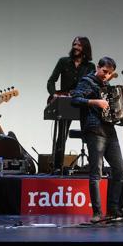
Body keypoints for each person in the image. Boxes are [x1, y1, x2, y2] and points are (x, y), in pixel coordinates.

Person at [71, 56, 123, 222]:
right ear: (97, 67)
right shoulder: (87, 81)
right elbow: (75, 99)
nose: (106, 75)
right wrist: (95, 102)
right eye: (104, 71)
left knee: (120, 170)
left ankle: (113, 209)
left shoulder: (107, 87)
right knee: (96, 172)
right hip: (94, 130)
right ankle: (97, 213)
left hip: (109, 131)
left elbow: (115, 116)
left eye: (109, 73)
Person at [46, 36, 95, 174]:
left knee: (90, 132)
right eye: (74, 44)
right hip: (66, 101)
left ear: (85, 48)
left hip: (81, 101)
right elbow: (51, 81)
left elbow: (91, 85)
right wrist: (54, 94)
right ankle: (57, 166)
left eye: (79, 45)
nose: (75, 47)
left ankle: (93, 166)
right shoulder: (63, 62)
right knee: (61, 135)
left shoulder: (90, 66)